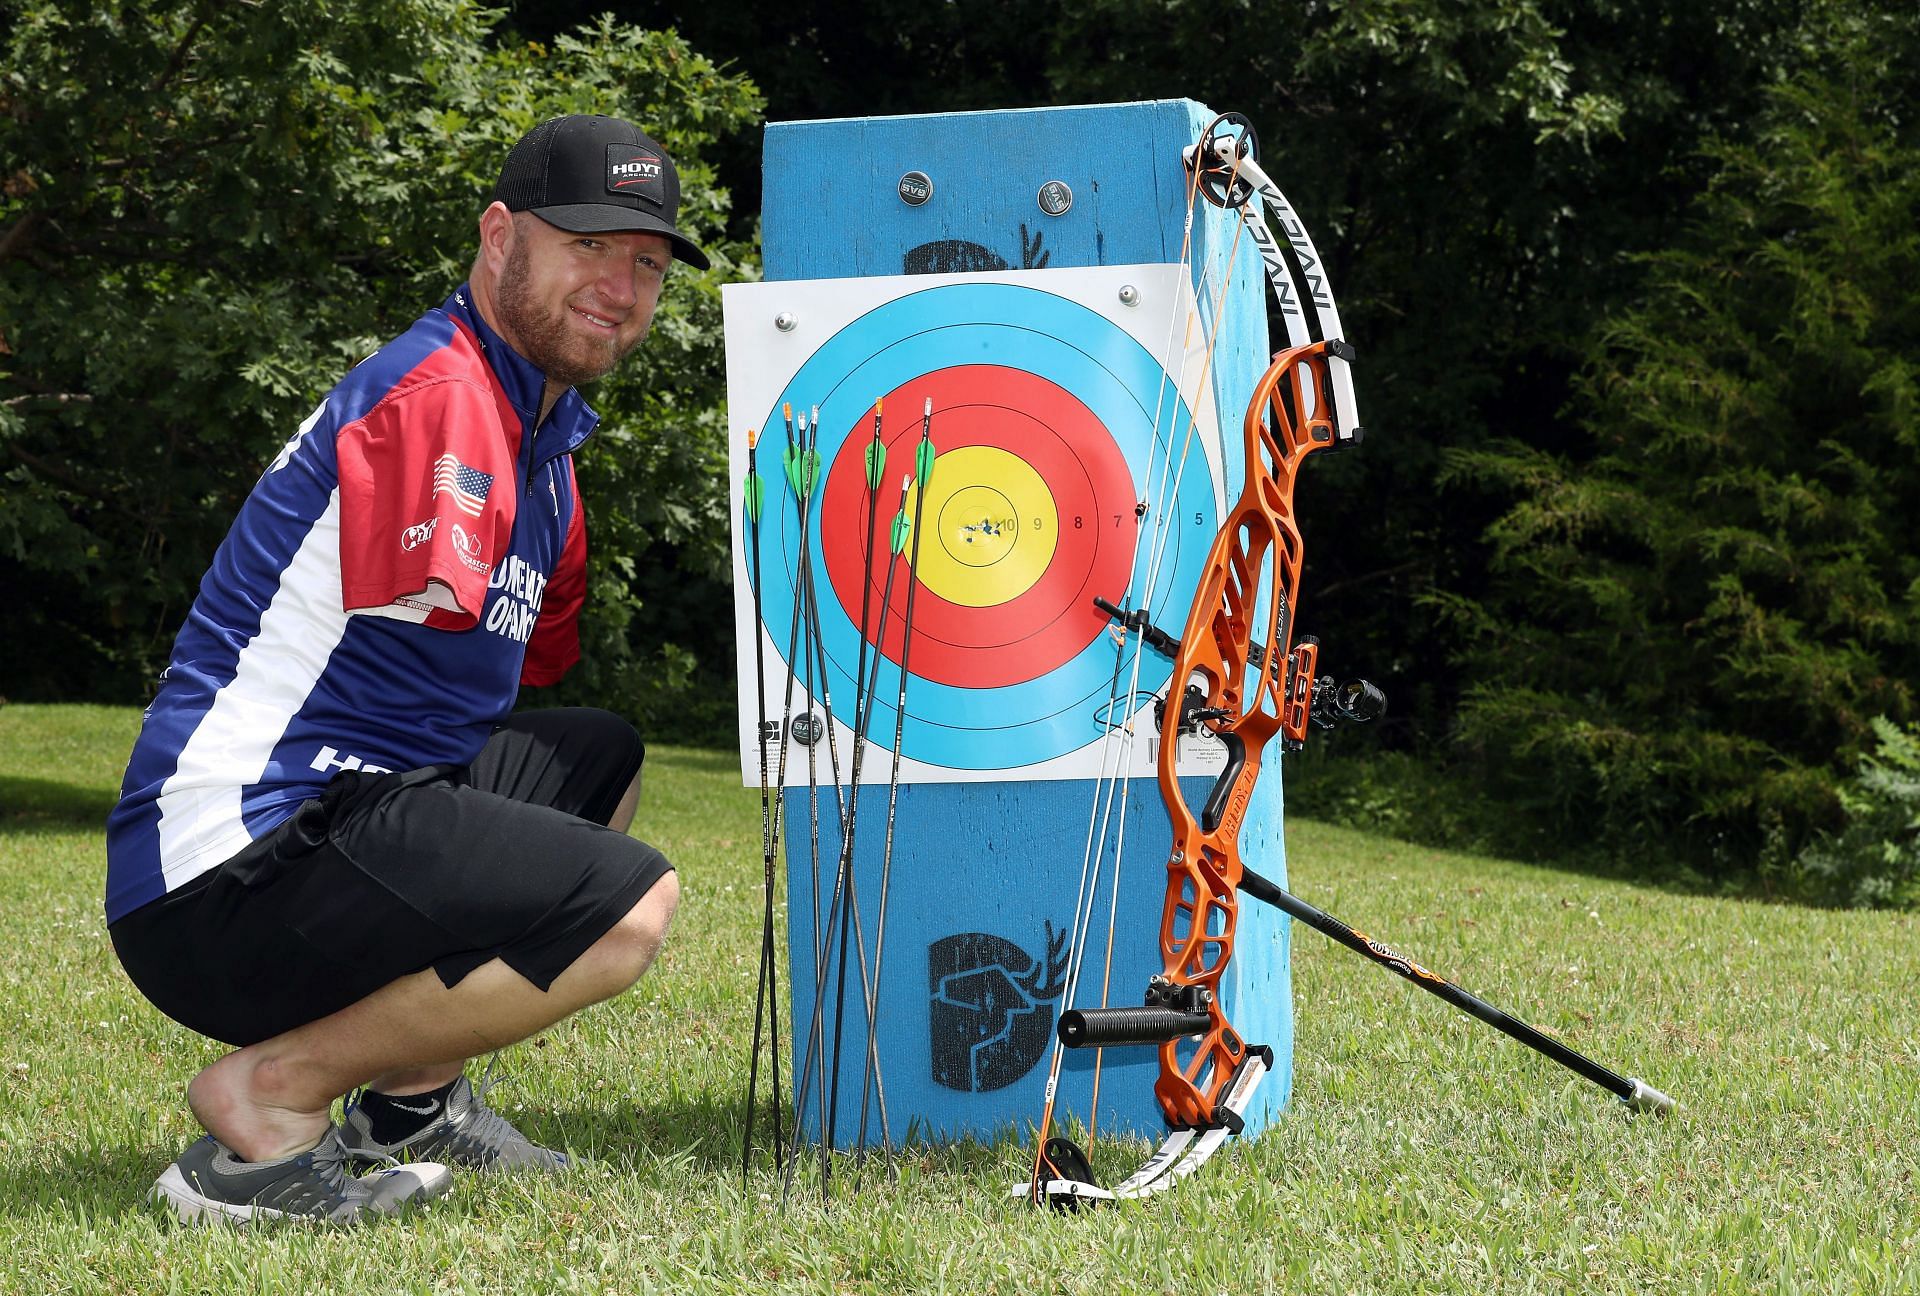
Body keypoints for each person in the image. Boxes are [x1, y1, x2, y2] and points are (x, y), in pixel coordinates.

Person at [103, 114, 707, 1224]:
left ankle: (410, 1108)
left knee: (597, 757)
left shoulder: (547, 443)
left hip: (335, 807)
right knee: (629, 908)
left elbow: (531, 662)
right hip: (226, 861)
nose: (619, 287)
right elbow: (427, 647)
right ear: (496, 236)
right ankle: (266, 1103)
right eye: (588, 246)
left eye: (647, 265)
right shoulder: (440, 398)